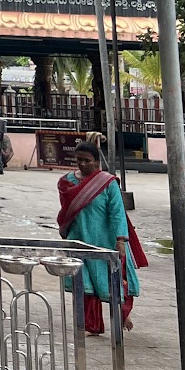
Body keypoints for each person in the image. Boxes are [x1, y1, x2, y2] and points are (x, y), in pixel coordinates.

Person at [57, 141, 145, 335]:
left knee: (113, 282)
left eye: (87, 160)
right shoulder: (66, 182)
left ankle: (122, 315)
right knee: (84, 284)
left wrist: (121, 240)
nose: (82, 164)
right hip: (78, 238)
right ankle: (92, 325)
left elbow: (117, 212)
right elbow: (65, 211)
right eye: (79, 160)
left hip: (104, 239)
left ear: (97, 162)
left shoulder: (107, 183)